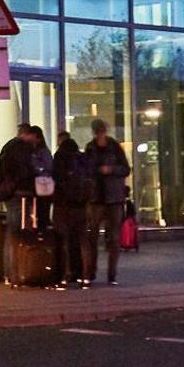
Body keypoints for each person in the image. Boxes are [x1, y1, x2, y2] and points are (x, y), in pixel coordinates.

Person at [85, 119, 131, 285]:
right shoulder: (90, 148)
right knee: (93, 237)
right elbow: (87, 170)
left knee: (113, 237)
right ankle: (91, 272)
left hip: (113, 198)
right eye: (98, 131)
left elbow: (126, 169)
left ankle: (112, 274)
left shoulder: (114, 147)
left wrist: (111, 170)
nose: (100, 134)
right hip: (97, 198)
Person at [51, 133, 96, 288]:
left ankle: (64, 275)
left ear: (60, 142)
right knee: (84, 241)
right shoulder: (81, 158)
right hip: (81, 205)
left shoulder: (59, 156)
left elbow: (54, 178)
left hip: (63, 205)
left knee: (63, 240)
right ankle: (86, 277)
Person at [0, 121, 43, 233]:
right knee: (20, 226)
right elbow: (25, 170)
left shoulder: (9, 146)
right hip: (20, 191)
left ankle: (13, 249)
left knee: (14, 224)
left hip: (11, 191)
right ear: (28, 134)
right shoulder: (24, 148)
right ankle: (19, 249)